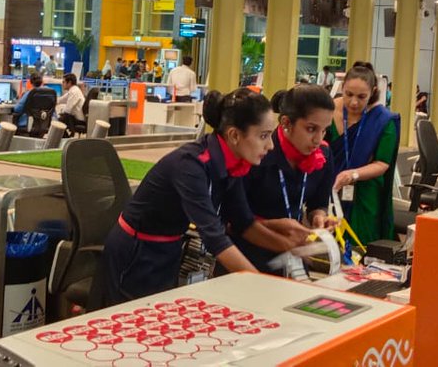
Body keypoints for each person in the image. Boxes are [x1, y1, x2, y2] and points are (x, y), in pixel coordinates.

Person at [94, 88, 307, 307]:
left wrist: (290, 245)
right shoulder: (191, 165)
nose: (270, 146)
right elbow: (215, 237)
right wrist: (259, 285)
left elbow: (244, 223)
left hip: (169, 251)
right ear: (234, 135)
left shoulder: (232, 163)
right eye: (263, 136)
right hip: (135, 253)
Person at [230, 85, 338, 274]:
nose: (318, 140)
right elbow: (230, 222)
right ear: (287, 123)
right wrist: (275, 228)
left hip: (294, 261)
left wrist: (319, 218)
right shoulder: (256, 153)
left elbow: (318, 203)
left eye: (324, 131)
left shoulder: (324, 154)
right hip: (245, 258)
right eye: (311, 129)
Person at [327, 62, 400, 244]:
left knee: (362, 244)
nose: (353, 102)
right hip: (331, 188)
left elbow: (382, 164)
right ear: (342, 88)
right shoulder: (327, 112)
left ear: (373, 92)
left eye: (362, 97)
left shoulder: (383, 120)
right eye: (348, 94)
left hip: (365, 193)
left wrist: (354, 174)